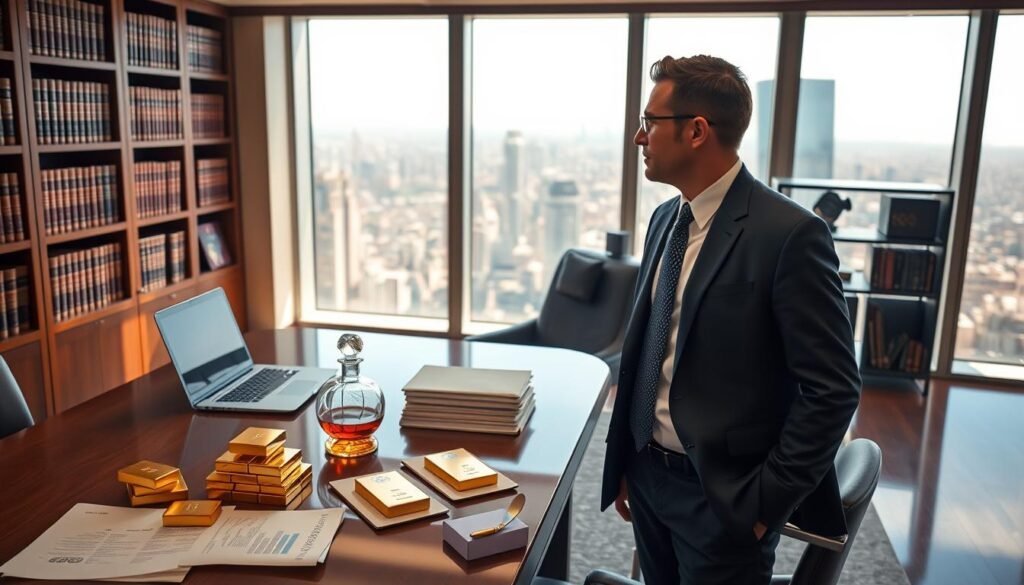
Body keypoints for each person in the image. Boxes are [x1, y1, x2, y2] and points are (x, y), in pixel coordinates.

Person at [601, 54, 861, 585]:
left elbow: (833, 389)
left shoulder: (790, 234)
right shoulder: (664, 218)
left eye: (650, 122)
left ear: (696, 131)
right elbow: (651, 345)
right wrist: (629, 459)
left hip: (722, 498)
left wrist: (764, 504)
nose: (639, 137)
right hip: (649, 475)